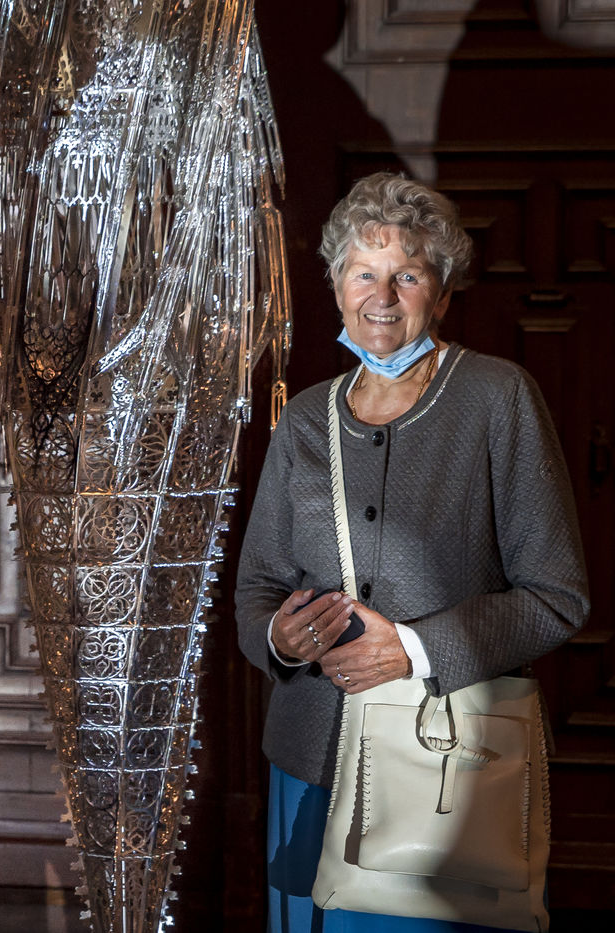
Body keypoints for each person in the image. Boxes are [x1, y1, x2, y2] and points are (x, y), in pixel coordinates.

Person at [235, 172, 589, 931]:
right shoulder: (304, 420)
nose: (382, 296)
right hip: (309, 764)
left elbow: (557, 597)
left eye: (408, 274)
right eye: (363, 272)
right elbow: (256, 586)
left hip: (442, 768)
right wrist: (280, 639)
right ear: (336, 288)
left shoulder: (499, 398)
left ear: (444, 292)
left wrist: (414, 650)